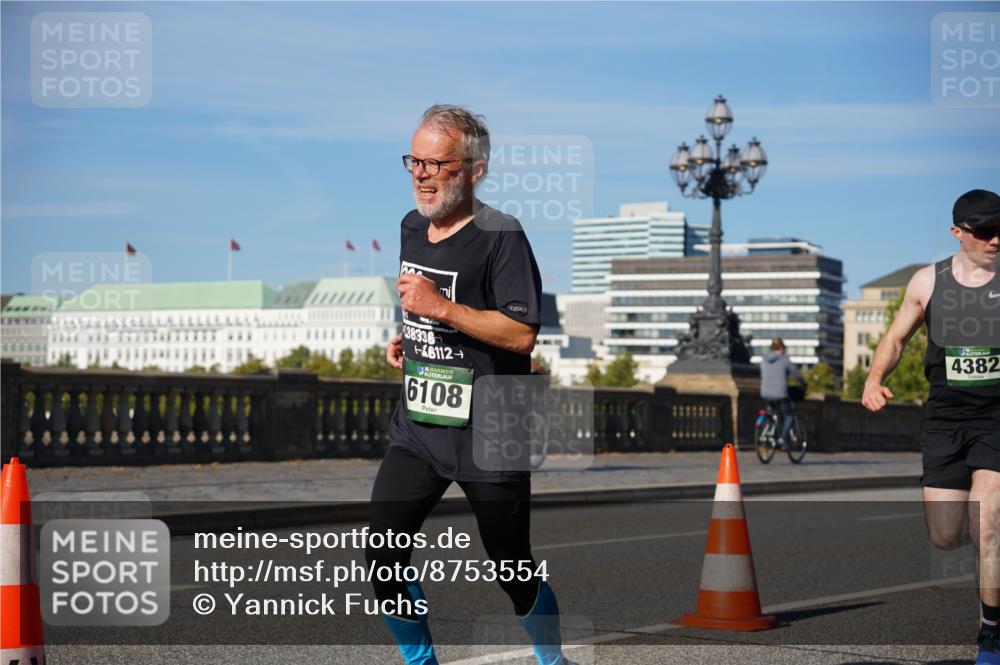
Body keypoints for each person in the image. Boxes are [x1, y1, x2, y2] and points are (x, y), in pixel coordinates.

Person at [366, 104, 573, 665]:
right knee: (380, 553)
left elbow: (520, 332)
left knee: (512, 567)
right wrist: (408, 335)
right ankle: (421, 663)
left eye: (438, 163)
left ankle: (553, 661)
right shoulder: (412, 226)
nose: (421, 173)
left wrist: (440, 308)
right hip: (422, 424)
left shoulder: (501, 234)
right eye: (415, 160)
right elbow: (421, 305)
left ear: (475, 169)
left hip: (493, 426)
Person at [862, 189, 1000, 664]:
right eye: (984, 232)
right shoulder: (929, 282)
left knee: (990, 527)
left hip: (997, 419)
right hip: (945, 419)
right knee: (945, 535)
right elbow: (896, 337)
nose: (995, 240)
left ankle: (991, 633)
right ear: (957, 232)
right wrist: (875, 378)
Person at [759, 337, 805, 450]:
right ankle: (783, 438)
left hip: (765, 392)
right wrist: (803, 382)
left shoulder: (764, 359)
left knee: (770, 412)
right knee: (789, 415)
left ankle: (767, 431)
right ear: (781, 348)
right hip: (780, 392)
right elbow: (796, 374)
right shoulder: (784, 359)